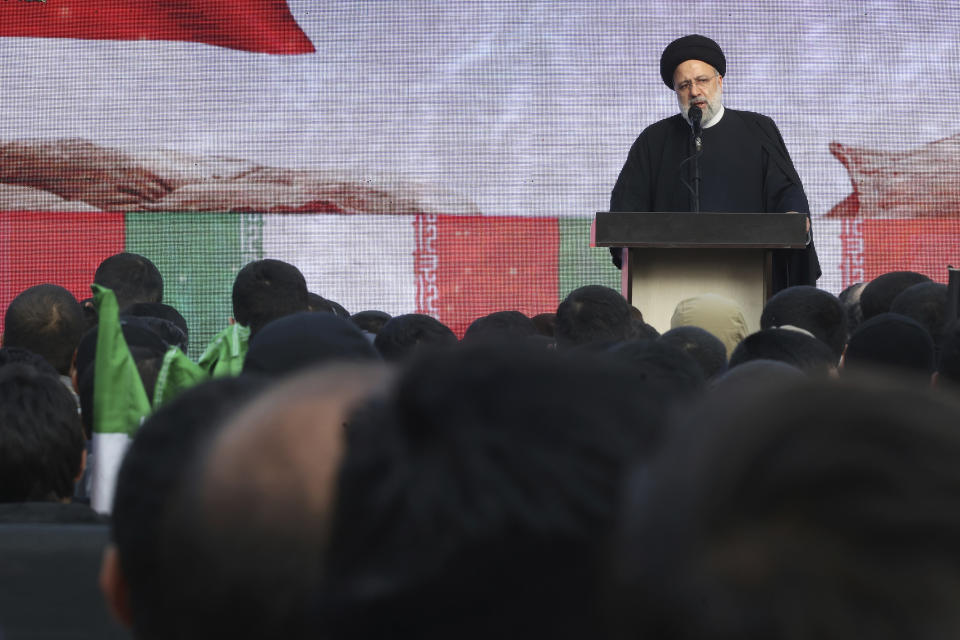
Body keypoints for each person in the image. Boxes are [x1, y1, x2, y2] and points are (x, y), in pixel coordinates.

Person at [608, 34, 820, 292]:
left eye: (701, 80)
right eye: (684, 85)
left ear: (719, 81)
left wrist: (793, 217)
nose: (694, 91)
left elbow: (786, 189)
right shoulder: (654, 140)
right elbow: (628, 205)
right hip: (670, 280)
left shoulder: (758, 129)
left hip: (751, 278)